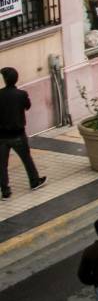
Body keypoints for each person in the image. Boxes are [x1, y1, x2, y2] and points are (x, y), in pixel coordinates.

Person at [0, 67, 45, 201]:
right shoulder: (22, 94)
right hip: (18, 134)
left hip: (1, 136)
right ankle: (34, 181)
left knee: (2, 164)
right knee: (26, 159)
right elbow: (27, 106)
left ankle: (5, 190)